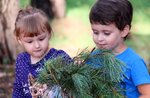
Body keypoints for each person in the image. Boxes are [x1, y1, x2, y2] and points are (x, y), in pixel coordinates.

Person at [88, 0, 150, 98]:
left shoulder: (134, 62)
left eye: (106, 33)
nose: (99, 39)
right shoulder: (93, 56)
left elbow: (147, 93)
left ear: (124, 31)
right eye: (95, 32)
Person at [12, 7, 72, 98]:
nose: (37, 45)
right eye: (30, 41)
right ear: (19, 40)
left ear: (49, 34)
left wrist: (77, 65)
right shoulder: (21, 60)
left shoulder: (59, 57)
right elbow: (18, 89)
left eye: (41, 39)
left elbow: (74, 78)